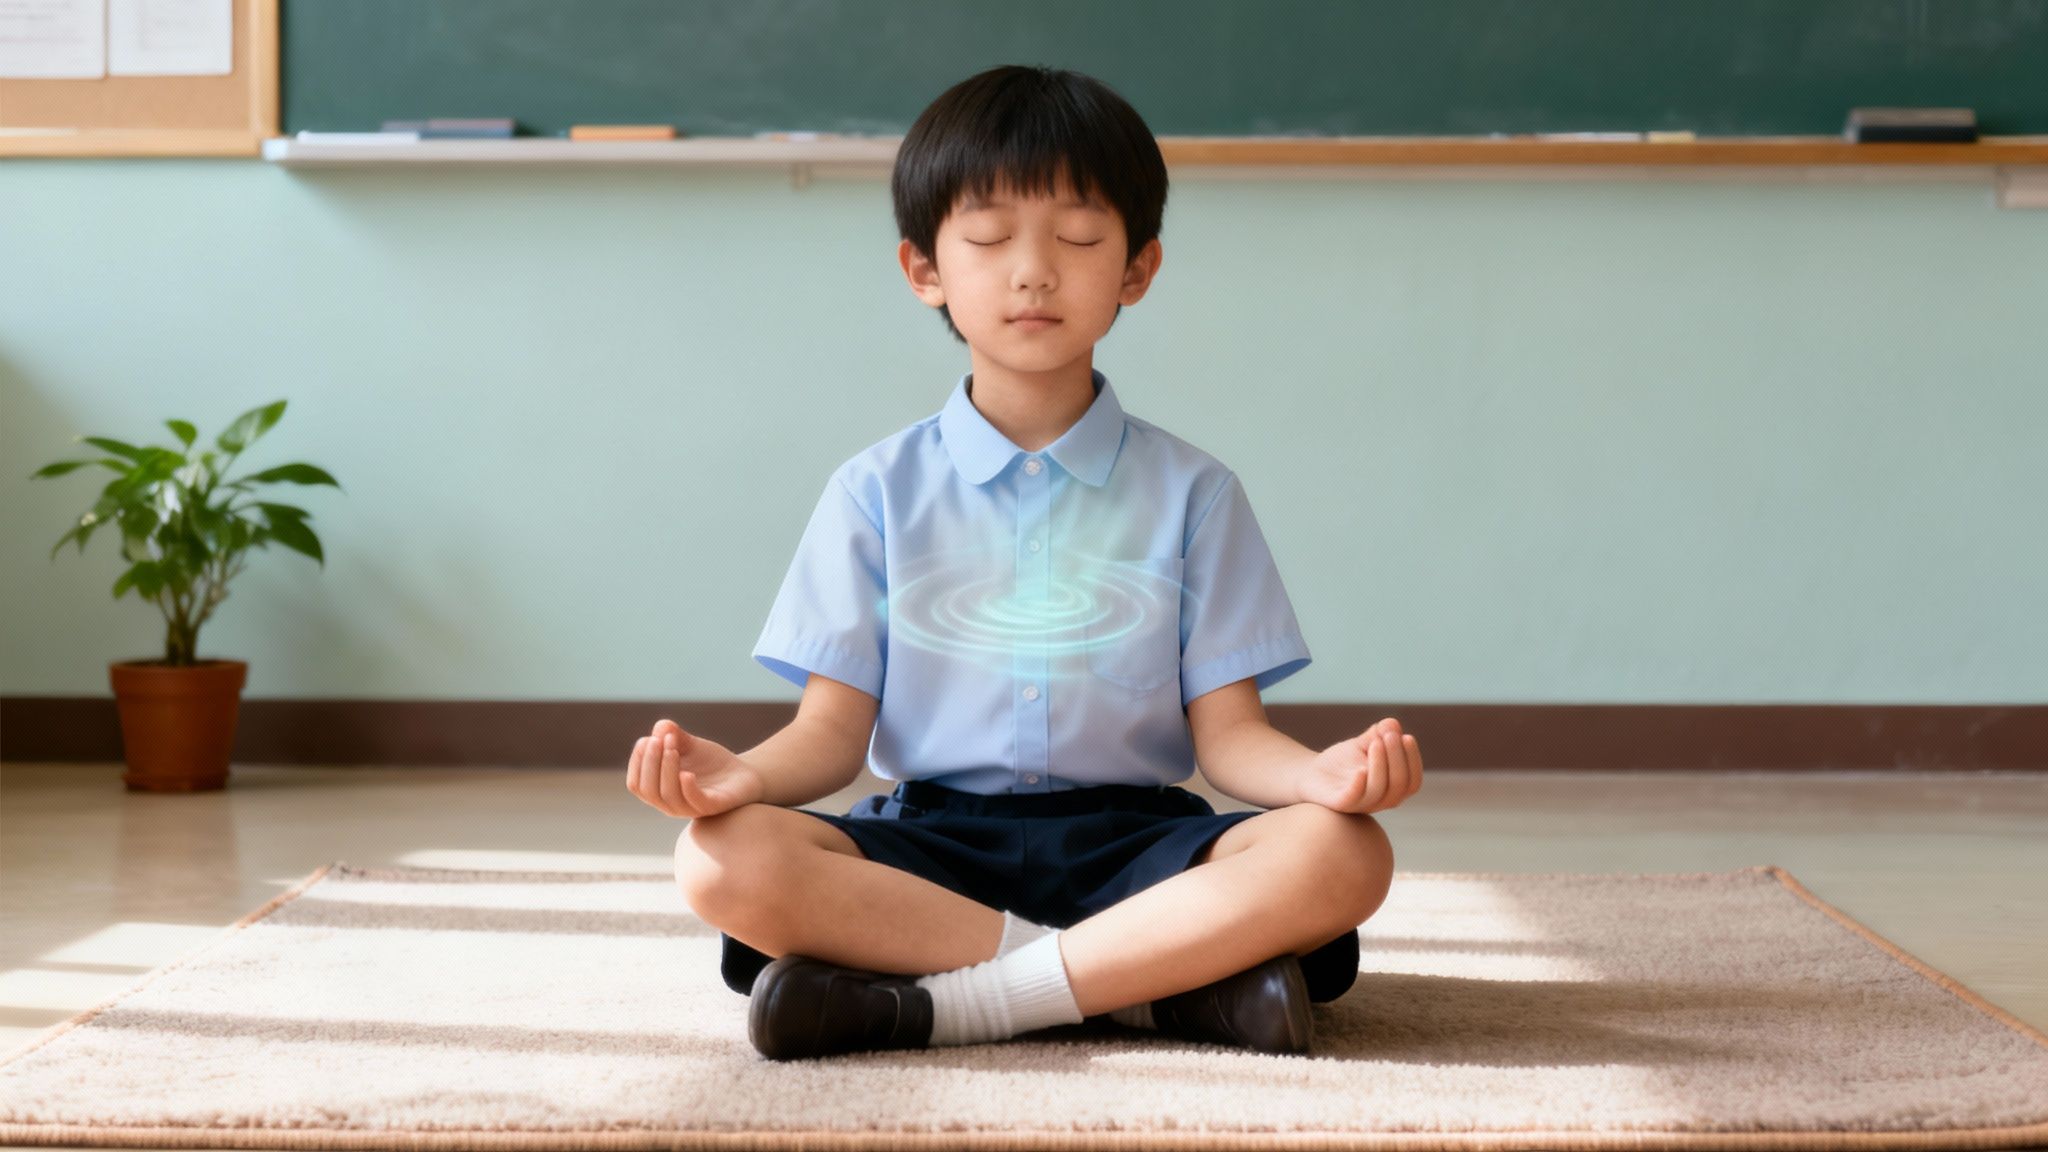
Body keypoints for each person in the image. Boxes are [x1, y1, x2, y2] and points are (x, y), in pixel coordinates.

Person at [628, 64, 1422, 1062]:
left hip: (1134, 842)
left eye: (1079, 237)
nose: (1033, 271)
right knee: (718, 860)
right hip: (930, 847)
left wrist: (1320, 775)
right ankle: (1153, 988)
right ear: (925, 270)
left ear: (1136, 269)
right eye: (991, 238)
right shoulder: (871, 491)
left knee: (1340, 852)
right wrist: (737, 777)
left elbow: (1229, 740)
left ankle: (952, 998)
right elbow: (830, 736)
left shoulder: (1195, 493)